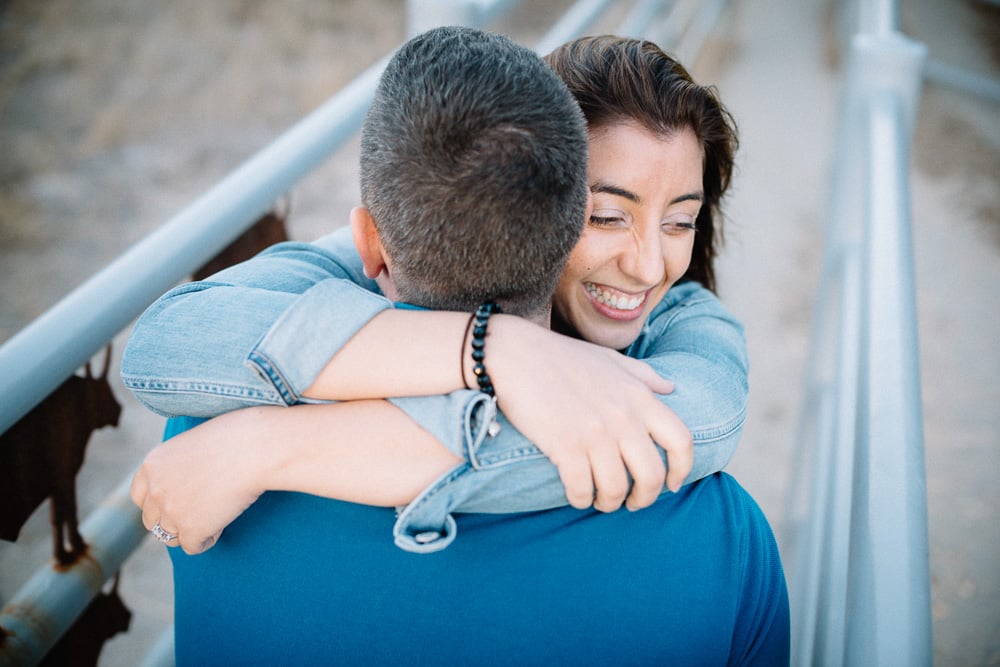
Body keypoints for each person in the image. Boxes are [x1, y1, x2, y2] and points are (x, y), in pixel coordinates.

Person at [125, 28, 789, 664]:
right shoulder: (725, 540)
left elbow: (700, 411)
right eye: (608, 216)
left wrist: (268, 446)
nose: (649, 267)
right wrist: (492, 347)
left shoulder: (203, 445)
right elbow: (172, 339)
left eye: (682, 221)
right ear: (547, 207)